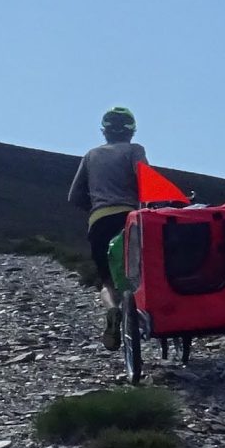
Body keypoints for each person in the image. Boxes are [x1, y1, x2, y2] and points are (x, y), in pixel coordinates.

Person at [68, 108, 147, 333]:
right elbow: (144, 179)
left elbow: (73, 196)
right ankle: (141, 316)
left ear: (105, 131)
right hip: (129, 220)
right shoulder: (135, 150)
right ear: (131, 131)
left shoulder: (90, 155)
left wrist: (95, 208)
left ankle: (113, 310)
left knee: (107, 281)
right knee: (140, 271)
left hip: (99, 221)